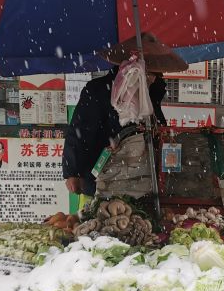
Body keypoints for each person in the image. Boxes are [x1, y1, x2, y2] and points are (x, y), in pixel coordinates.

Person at [62, 68, 167, 197]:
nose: (155, 77)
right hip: (104, 177)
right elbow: (80, 131)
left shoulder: (150, 93)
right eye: (151, 71)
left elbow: (159, 133)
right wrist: (73, 171)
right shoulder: (100, 89)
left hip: (144, 180)